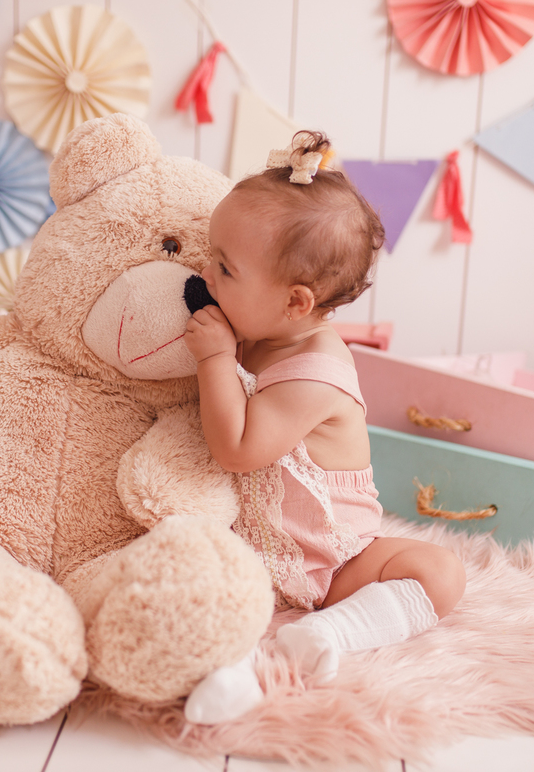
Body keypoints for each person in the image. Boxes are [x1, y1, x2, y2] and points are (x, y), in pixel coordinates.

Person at [181, 132, 466, 725]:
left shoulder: (315, 371)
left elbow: (237, 449)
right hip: (248, 551)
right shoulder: (258, 329)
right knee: (185, 587)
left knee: (442, 572)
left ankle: (329, 633)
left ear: (295, 303)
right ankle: (232, 666)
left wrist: (212, 360)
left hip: (334, 561)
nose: (204, 271)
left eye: (225, 268)